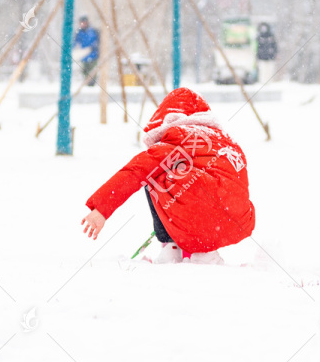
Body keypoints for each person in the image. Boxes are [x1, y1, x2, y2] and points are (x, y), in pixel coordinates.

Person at [81, 88, 256, 264]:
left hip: (200, 219)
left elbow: (135, 171)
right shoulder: (228, 142)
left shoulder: (177, 138)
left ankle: (170, 247)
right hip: (238, 223)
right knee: (210, 186)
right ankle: (206, 253)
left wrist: (101, 209)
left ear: (167, 118)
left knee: (152, 172)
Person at [73, 16, 100, 86]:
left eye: (84, 23)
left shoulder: (93, 31)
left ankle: (92, 85)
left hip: (93, 56)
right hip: (84, 57)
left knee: (93, 72)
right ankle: (87, 84)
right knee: (84, 72)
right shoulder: (78, 33)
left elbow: (98, 42)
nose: (83, 24)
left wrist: (94, 47)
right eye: (81, 23)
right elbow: (75, 43)